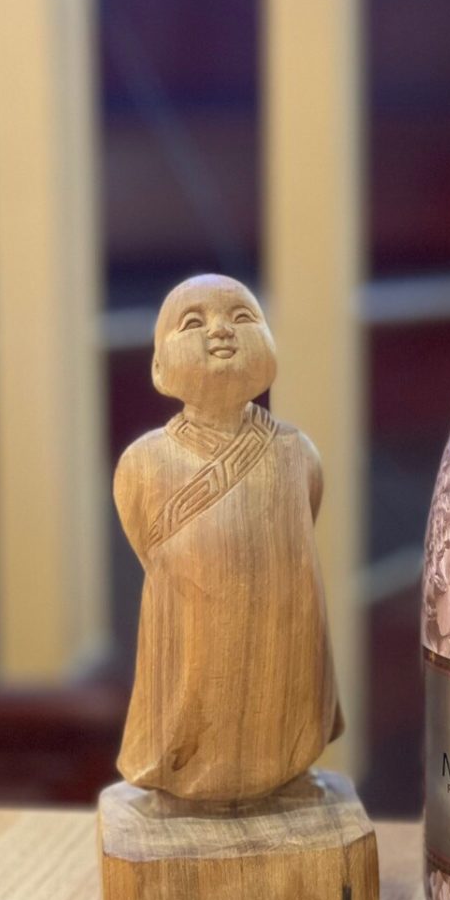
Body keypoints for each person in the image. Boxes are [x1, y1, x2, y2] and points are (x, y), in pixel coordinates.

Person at [115, 274, 343, 801]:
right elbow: (145, 543)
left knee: (280, 695)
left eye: (242, 317)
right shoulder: (144, 462)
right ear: (158, 367)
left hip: (283, 634)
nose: (221, 331)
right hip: (189, 633)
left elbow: (304, 516)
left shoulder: (296, 451)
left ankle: (282, 758)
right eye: (193, 323)